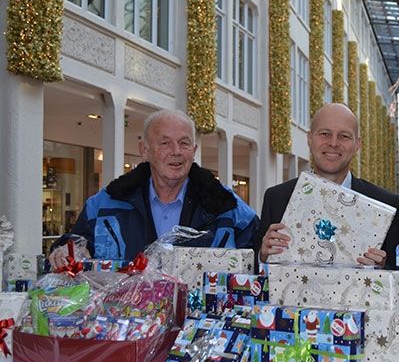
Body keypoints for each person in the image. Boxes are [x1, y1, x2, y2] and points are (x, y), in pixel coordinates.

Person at [50, 109, 259, 266]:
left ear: (193, 151)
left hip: (199, 322)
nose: (176, 151)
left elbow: (259, 252)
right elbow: (76, 243)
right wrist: (67, 250)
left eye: (184, 143)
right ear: (145, 150)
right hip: (125, 320)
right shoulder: (105, 205)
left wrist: (266, 251)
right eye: (165, 143)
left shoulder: (227, 207)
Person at [257, 103, 399, 269]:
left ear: (357, 144)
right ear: (309, 138)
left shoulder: (388, 207)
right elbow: (261, 276)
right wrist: (263, 257)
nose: (333, 143)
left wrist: (383, 269)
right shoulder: (276, 198)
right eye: (325, 134)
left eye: (344, 136)